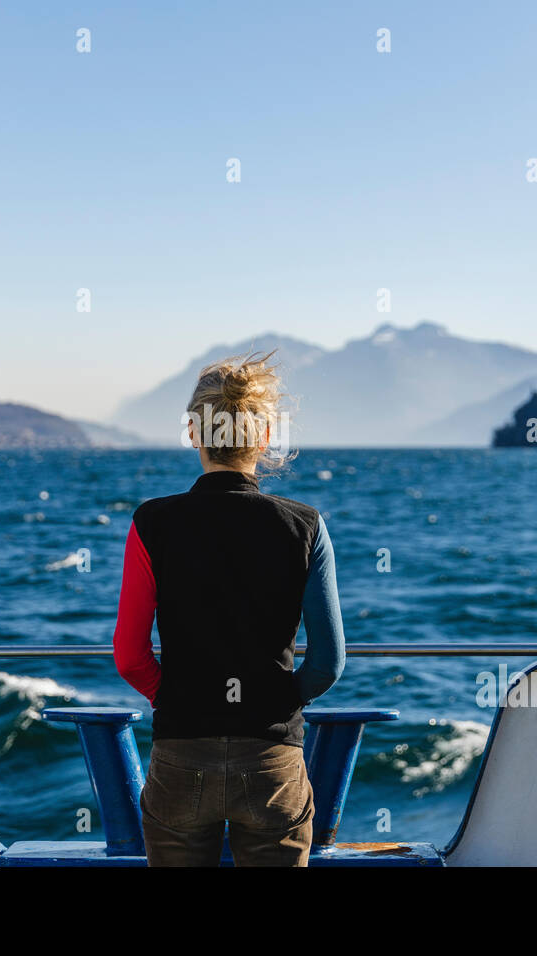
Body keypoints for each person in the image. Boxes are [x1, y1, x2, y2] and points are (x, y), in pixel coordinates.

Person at [111, 351, 346, 866]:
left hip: (180, 755)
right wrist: (273, 701)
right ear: (263, 439)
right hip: (271, 762)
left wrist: (176, 696)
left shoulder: (152, 523)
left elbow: (130, 656)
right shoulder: (306, 526)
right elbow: (328, 663)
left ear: (194, 434)